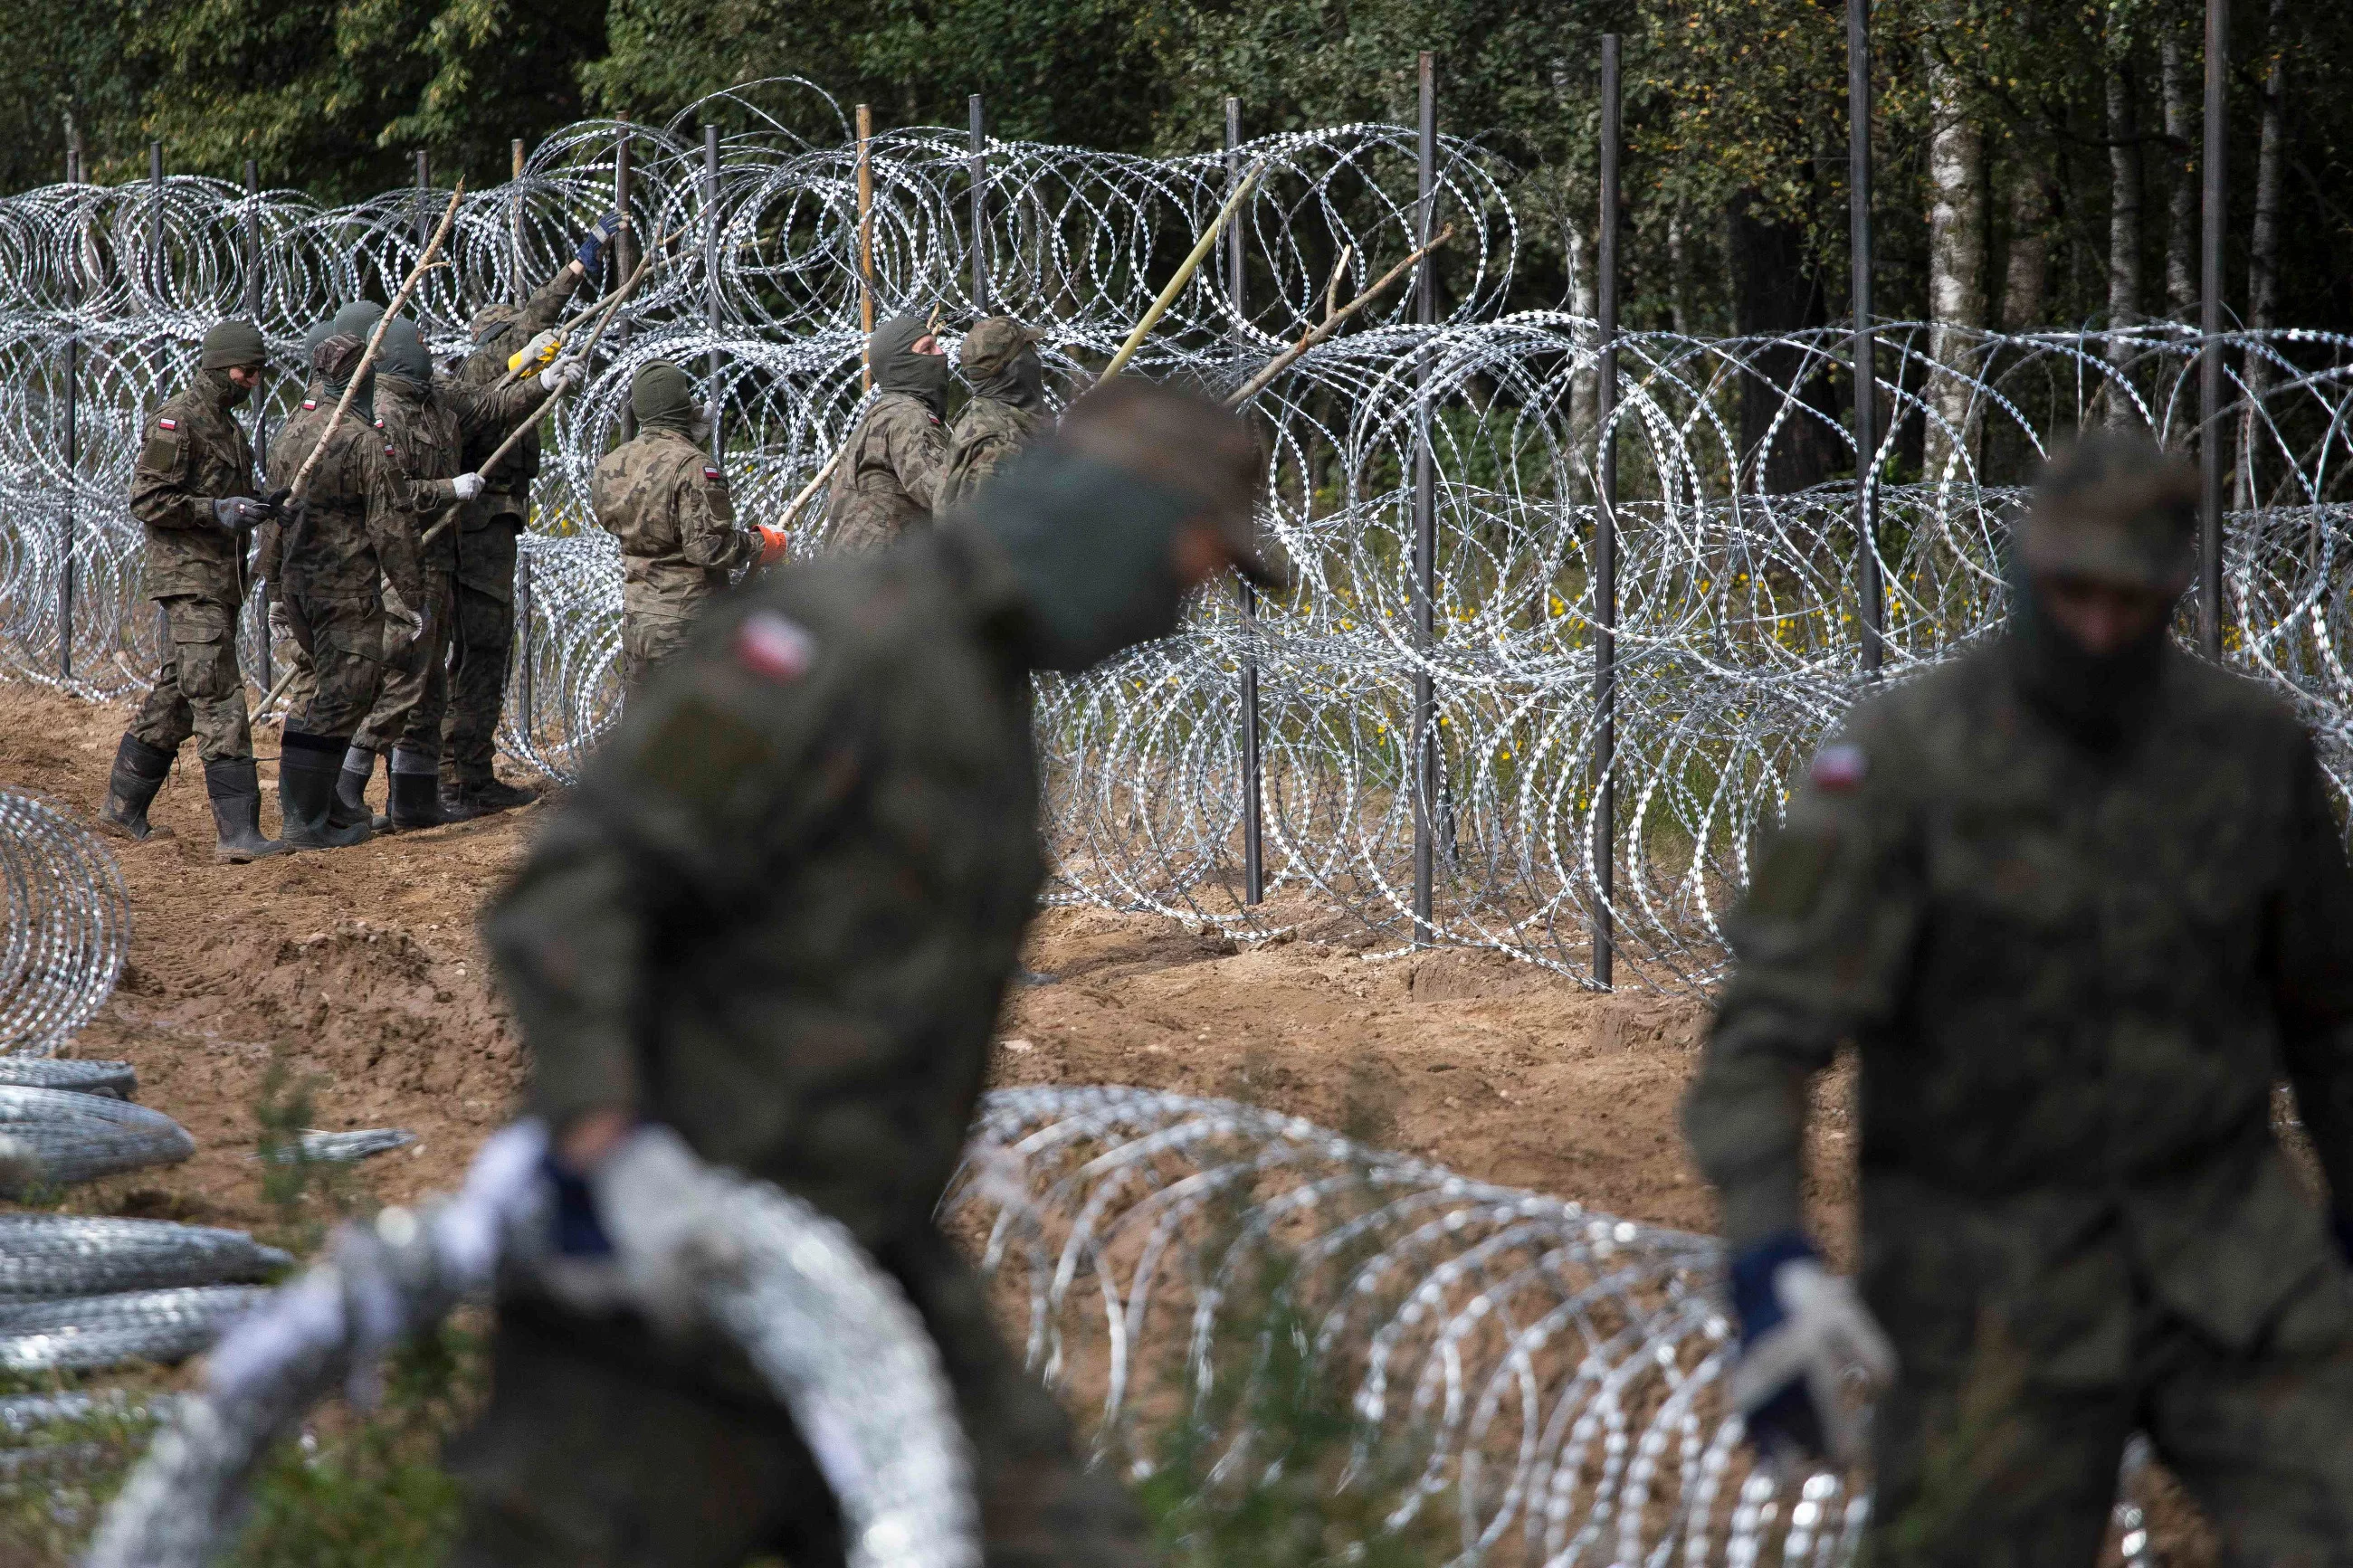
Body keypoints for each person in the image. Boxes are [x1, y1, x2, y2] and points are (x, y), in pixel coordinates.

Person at [452, 378, 1283, 1566]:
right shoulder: (836, 644)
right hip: (673, 1269)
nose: (1173, 615)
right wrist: (606, 1149)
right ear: (1109, 523)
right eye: (1183, 569)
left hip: (858, 1257)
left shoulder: (977, 694)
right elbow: (574, 893)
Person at [1682, 432, 2353, 1565]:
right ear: (2022, 569)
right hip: (1983, 1288)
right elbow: (1763, 1032)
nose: (2098, 626)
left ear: (2177, 587)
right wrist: (1765, 1248)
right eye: (2071, 591)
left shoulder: (2248, 754)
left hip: (2228, 1260)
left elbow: (2331, 1019)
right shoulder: (1902, 762)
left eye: (2130, 598)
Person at [338, 317, 570, 832]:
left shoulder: (436, 396)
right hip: (404, 565)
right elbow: (392, 497)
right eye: (417, 343)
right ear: (397, 354)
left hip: (439, 563)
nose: (427, 349)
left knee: (431, 685)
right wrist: (449, 490)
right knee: (402, 681)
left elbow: (488, 404)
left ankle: (415, 802)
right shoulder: (384, 417)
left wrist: (540, 380)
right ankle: (343, 792)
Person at [440, 212, 624, 821]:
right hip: (478, 531)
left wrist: (579, 265)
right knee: (482, 650)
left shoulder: (498, 372)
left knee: (481, 650)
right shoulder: (481, 375)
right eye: (513, 341)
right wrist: (534, 367)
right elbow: (526, 335)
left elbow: (535, 321)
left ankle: (461, 772)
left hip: (493, 525)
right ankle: (462, 778)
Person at [99, 318, 286, 863]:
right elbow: (148, 500)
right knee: (220, 695)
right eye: (246, 370)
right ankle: (239, 834)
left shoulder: (226, 426)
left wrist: (264, 506)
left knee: (181, 694)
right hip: (189, 581)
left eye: (258, 372)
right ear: (219, 365)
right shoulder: (179, 420)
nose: (253, 381)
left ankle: (122, 806)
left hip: (219, 580)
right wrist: (216, 511)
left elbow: (228, 496)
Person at [264, 328, 414, 850]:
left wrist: (273, 586)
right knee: (345, 695)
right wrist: (412, 595)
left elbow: (273, 515)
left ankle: (323, 809)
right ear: (359, 379)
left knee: (327, 691)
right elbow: (389, 529)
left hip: (299, 587)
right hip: (345, 591)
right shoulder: (361, 440)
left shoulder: (292, 431)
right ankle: (305, 821)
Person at [590, 359, 786, 690]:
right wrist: (761, 544)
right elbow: (707, 548)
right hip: (687, 624)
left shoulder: (611, 465)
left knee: (646, 733)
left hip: (638, 618)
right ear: (682, 403)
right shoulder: (694, 466)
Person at [825, 314, 949, 550]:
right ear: (901, 363)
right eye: (927, 349)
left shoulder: (880, 415)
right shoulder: (907, 417)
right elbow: (947, 494)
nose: (941, 354)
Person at [937, 316, 1051, 514]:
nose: (1036, 356)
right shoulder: (1000, 444)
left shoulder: (990, 418)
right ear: (1016, 367)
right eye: (1030, 349)